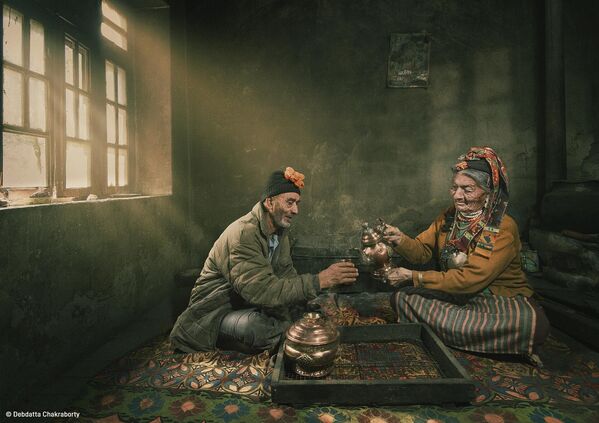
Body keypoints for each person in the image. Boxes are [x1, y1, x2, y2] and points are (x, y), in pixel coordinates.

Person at [383, 147, 549, 359]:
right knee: (402, 298)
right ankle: (472, 337)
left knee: (531, 324)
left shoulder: (499, 227)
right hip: (456, 296)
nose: (458, 196)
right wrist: (400, 239)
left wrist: (414, 276)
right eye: (454, 188)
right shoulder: (449, 217)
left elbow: (470, 280)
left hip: (495, 303)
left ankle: (453, 331)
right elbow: (422, 252)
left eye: (467, 189)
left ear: (487, 192)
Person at [170, 167, 358, 354]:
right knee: (258, 327)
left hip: (247, 305)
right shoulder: (243, 235)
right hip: (214, 313)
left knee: (303, 316)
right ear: (269, 203)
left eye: (297, 203)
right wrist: (320, 280)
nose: (296, 210)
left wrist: (305, 304)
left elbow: (286, 275)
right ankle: (246, 340)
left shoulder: (279, 231)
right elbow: (262, 291)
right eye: (290, 202)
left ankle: (274, 335)